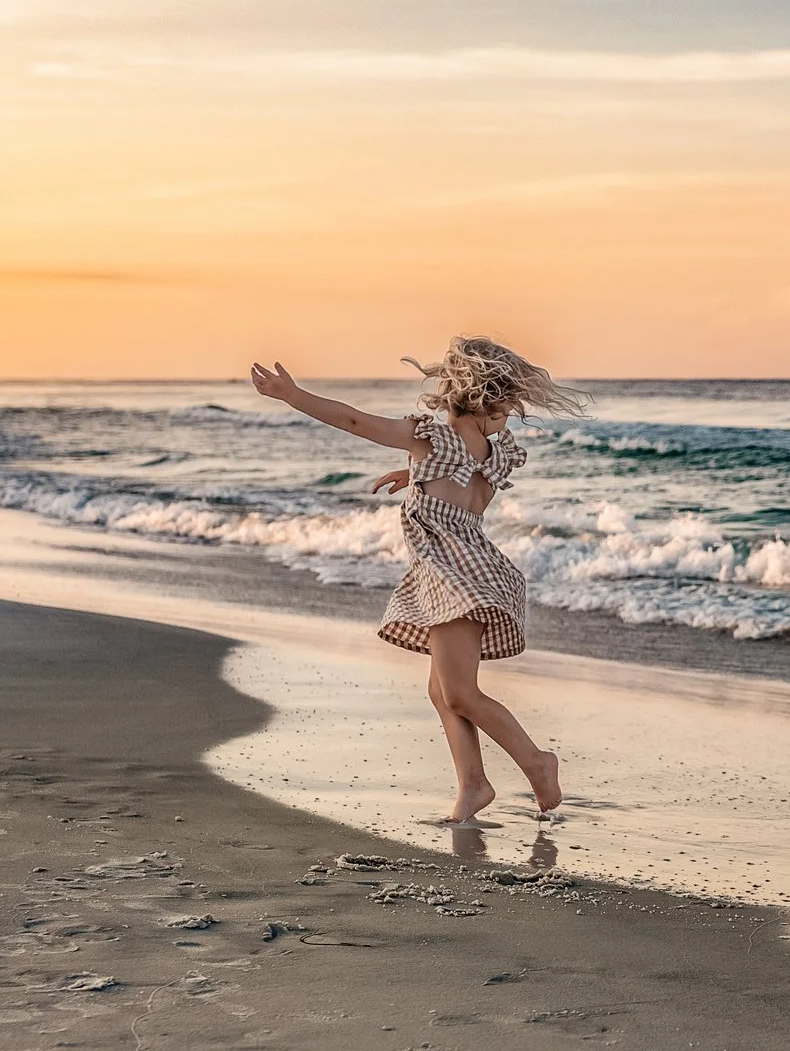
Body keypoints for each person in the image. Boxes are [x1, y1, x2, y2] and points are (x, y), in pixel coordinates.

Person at [249, 338, 585, 824]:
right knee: (443, 690)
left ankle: (536, 762)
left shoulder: (432, 439)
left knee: (461, 694)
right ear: (487, 404)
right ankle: (473, 784)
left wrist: (293, 396)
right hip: (478, 570)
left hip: (452, 575)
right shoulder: (495, 451)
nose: (507, 419)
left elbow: (355, 421)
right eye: (504, 409)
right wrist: (414, 474)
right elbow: (462, 483)